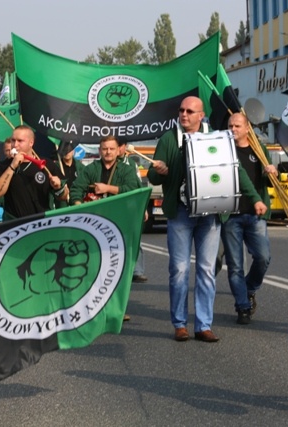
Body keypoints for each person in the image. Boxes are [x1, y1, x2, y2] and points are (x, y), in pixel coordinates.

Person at [148, 96, 267, 343]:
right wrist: (159, 171)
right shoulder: (169, 139)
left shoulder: (217, 137)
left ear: (201, 115)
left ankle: (203, 325)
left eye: (190, 111)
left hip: (210, 212)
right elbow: (154, 176)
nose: (184, 114)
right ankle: (180, 324)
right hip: (180, 213)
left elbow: (237, 170)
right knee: (179, 270)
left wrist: (255, 197)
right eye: (181, 110)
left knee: (206, 270)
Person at [220, 113, 276, 325]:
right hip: (231, 215)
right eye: (230, 125)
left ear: (247, 129)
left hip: (255, 214)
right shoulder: (224, 150)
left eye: (237, 126)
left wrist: (271, 172)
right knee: (235, 266)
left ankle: (249, 289)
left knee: (263, 257)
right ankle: (242, 307)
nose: (233, 129)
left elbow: (268, 181)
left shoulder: (258, 149)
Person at [0, 125, 67, 219]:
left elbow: (64, 196)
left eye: (20, 141)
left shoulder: (47, 165)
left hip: (42, 223)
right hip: (15, 225)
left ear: (31, 143)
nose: (15, 145)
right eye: (13, 140)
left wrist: (58, 187)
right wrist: (12, 166)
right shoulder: (4, 166)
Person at [69, 135, 140, 203]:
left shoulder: (127, 170)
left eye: (112, 149)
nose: (108, 152)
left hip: (119, 211)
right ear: (99, 150)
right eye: (105, 149)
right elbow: (76, 189)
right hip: (94, 212)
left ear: (118, 150)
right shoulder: (90, 169)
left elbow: (133, 190)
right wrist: (78, 205)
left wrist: (108, 188)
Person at [117, 139, 148, 283]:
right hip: (115, 205)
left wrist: (144, 207)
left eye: (119, 146)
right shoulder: (106, 163)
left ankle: (137, 270)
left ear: (124, 147)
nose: (116, 149)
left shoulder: (131, 164)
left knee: (136, 238)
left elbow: (138, 185)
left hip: (131, 205)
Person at [54, 141, 84, 209]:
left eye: (69, 150)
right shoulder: (56, 167)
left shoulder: (81, 167)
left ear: (73, 151)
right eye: (64, 150)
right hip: (62, 205)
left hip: (77, 203)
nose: (67, 152)